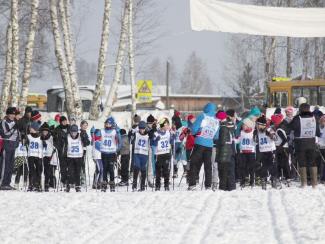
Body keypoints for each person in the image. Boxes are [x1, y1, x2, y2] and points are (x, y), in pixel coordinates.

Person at [188, 103, 219, 190]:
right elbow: (216, 136)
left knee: (194, 163)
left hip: (199, 142)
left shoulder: (203, 116)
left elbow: (194, 129)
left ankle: (192, 184)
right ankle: (208, 185)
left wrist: (193, 132)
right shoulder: (216, 120)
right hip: (209, 145)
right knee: (208, 165)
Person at [290, 103, 320, 188]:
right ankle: (314, 183)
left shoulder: (297, 118)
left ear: (300, 110)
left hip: (300, 143)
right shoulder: (314, 118)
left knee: (302, 162)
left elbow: (291, 128)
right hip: (311, 142)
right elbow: (318, 132)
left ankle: (304, 183)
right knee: (312, 162)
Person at [255, 115, 277, 190]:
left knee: (272, 166)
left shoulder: (269, 129)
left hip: (270, 151)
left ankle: (273, 180)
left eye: (258, 125)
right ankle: (263, 180)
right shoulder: (257, 131)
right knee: (263, 167)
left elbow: (275, 138)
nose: (257, 126)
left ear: (263, 125)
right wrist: (255, 137)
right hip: (262, 151)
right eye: (257, 125)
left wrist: (270, 134)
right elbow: (255, 140)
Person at [100, 116, 122, 192]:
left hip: (112, 153)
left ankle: (112, 182)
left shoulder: (115, 131)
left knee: (111, 169)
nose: (107, 125)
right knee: (104, 169)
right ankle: (104, 182)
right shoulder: (102, 131)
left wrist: (118, 149)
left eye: (109, 124)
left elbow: (120, 141)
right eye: (106, 123)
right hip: (104, 152)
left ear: (112, 124)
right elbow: (97, 139)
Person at [0, 107, 20, 190]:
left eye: (13, 114)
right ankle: (2, 183)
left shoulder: (15, 122)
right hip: (6, 144)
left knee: (11, 166)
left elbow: (17, 134)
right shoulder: (4, 122)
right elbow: (5, 134)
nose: (12, 116)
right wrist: (14, 128)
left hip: (13, 145)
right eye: (11, 114)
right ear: (7, 114)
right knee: (5, 165)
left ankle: (7, 183)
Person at [215, 114, 236, 191]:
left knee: (223, 170)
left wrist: (215, 141)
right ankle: (231, 186)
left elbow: (222, 141)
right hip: (230, 150)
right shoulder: (230, 125)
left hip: (224, 151)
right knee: (230, 170)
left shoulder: (223, 127)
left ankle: (223, 187)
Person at [152, 118, 174, 191]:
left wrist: (172, 138)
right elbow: (153, 144)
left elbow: (171, 141)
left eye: (168, 125)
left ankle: (166, 185)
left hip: (166, 153)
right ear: (163, 125)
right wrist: (156, 140)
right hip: (159, 154)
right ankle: (157, 186)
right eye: (167, 125)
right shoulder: (156, 133)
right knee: (158, 171)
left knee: (166, 170)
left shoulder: (168, 132)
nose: (168, 126)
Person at [66, 124, 88, 192]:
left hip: (78, 157)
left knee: (77, 172)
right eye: (72, 132)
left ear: (77, 131)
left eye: (75, 132)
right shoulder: (68, 136)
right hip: (70, 157)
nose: (73, 133)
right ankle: (69, 184)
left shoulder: (80, 136)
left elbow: (87, 143)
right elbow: (63, 144)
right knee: (70, 172)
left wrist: (84, 138)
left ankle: (77, 185)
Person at [271, 113, 291, 186]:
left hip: (283, 149)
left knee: (285, 164)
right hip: (280, 149)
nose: (273, 124)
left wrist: (280, 146)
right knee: (279, 163)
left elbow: (285, 140)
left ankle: (288, 178)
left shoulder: (279, 130)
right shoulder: (279, 129)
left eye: (274, 123)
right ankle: (279, 177)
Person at [237, 118, 256, 188]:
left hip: (251, 152)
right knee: (242, 167)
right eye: (243, 125)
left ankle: (252, 181)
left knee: (251, 168)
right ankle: (243, 181)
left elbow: (256, 142)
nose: (243, 126)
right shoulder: (241, 132)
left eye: (244, 125)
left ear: (248, 125)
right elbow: (237, 140)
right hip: (243, 152)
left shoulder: (253, 132)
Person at [132, 121, 150, 191]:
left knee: (143, 169)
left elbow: (152, 135)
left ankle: (142, 186)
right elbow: (131, 138)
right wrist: (132, 132)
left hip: (144, 154)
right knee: (136, 167)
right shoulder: (136, 134)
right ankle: (134, 185)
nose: (142, 130)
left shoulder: (148, 134)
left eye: (143, 129)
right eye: (140, 129)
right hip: (137, 153)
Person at [27, 122, 43, 192]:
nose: (30, 129)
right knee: (31, 170)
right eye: (30, 128)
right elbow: (25, 143)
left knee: (39, 170)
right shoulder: (28, 136)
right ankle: (31, 184)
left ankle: (38, 184)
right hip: (31, 155)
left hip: (38, 155)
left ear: (36, 129)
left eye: (32, 128)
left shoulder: (40, 137)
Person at [53, 116, 69, 186]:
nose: (65, 122)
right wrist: (58, 147)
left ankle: (69, 180)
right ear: (60, 122)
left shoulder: (69, 127)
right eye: (63, 121)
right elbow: (54, 140)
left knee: (70, 166)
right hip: (61, 151)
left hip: (69, 150)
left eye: (65, 121)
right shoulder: (57, 129)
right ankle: (63, 180)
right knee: (63, 167)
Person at [40, 122, 56, 191]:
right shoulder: (40, 137)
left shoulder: (51, 137)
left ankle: (49, 183)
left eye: (46, 131)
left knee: (49, 170)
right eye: (43, 131)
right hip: (42, 156)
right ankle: (43, 183)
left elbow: (55, 144)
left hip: (50, 156)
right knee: (43, 170)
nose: (45, 132)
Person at [146, 114, 157, 188]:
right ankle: (145, 179)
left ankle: (150, 179)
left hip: (152, 147)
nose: (151, 124)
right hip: (146, 147)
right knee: (147, 164)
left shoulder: (153, 128)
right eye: (150, 123)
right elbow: (149, 135)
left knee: (151, 164)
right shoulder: (146, 128)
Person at [80, 120, 90, 185]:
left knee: (83, 164)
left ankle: (82, 178)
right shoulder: (80, 132)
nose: (85, 126)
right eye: (84, 125)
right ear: (81, 125)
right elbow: (84, 142)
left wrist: (86, 141)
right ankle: (81, 178)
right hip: (80, 150)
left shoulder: (85, 132)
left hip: (84, 150)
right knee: (81, 164)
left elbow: (88, 142)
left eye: (86, 125)